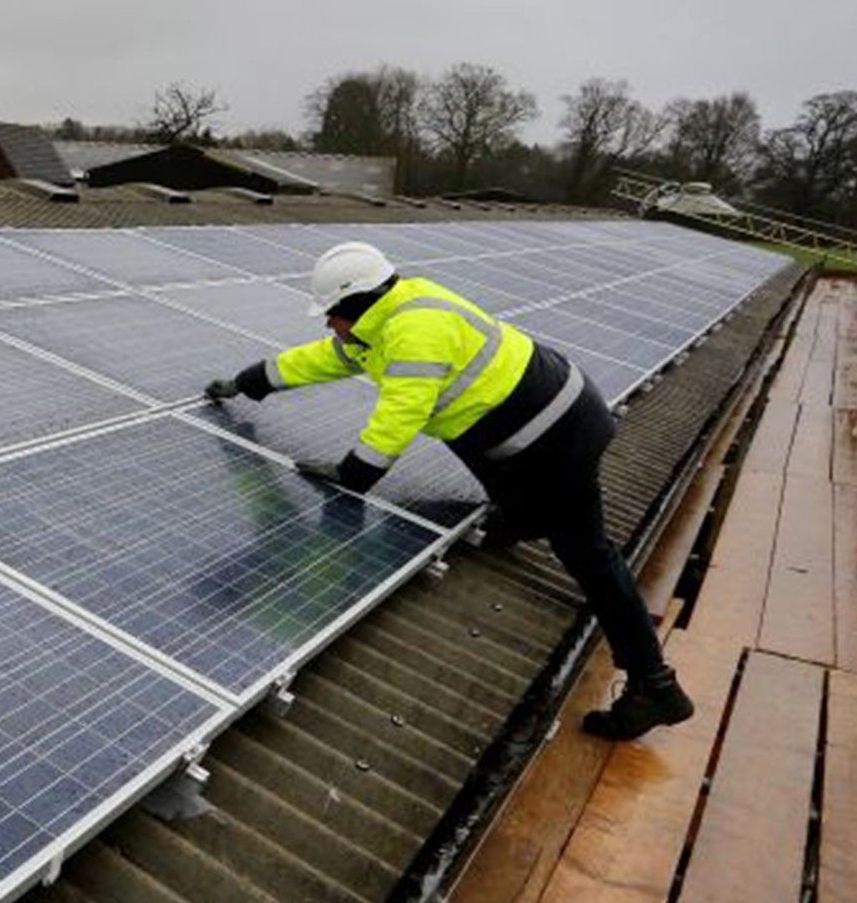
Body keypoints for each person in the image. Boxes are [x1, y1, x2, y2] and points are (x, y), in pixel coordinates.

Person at [204, 240, 692, 740]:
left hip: (556, 436)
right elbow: (324, 359)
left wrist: (353, 475)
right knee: (519, 511)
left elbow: (401, 414)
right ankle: (525, 518)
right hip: (521, 430)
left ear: (357, 305)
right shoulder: (383, 322)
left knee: (588, 553)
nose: (329, 324)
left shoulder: (416, 331)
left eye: (332, 314)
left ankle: (653, 685)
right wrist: (250, 381)